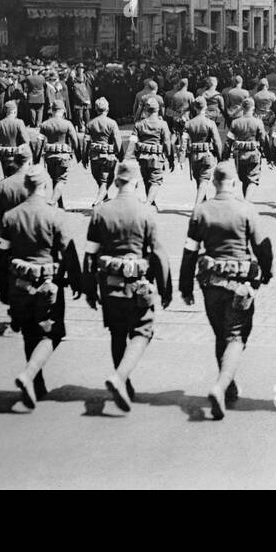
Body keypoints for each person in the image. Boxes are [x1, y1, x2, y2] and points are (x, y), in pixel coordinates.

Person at [180, 160, 273, 419]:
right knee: (236, 336)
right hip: (239, 286)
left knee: (220, 334)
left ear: (213, 182)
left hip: (210, 285)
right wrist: (267, 272)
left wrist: (185, 286)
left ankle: (229, 386)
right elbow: (262, 248)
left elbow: (189, 252)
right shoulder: (246, 210)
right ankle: (221, 386)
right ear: (234, 183)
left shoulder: (201, 211)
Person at [84, 161, 172, 412]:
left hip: (109, 285)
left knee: (117, 333)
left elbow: (90, 255)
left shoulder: (100, 211)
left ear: (115, 182)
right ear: (136, 182)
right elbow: (157, 255)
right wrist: (166, 289)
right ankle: (120, 378)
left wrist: (89, 288)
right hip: (138, 286)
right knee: (142, 331)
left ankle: (124, 382)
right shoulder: (145, 212)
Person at [0, 167, 80, 409]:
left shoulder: (10, 216)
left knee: (28, 333)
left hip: (19, 284)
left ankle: (37, 383)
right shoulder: (55, 215)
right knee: (53, 333)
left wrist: (2, 287)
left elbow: (2, 254)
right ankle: (30, 374)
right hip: (47, 285)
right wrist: (77, 280)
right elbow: (68, 252)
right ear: (44, 186)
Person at [131, 97, 175, 207]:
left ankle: (151, 202)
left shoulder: (139, 124)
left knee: (146, 179)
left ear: (146, 110)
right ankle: (148, 203)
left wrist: (133, 156)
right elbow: (167, 142)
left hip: (142, 156)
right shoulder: (163, 124)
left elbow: (133, 142)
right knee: (155, 181)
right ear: (158, 110)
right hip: (156, 157)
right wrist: (170, 158)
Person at [37, 101, 79, 209]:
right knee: (61, 180)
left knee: (55, 180)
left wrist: (36, 159)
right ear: (62, 111)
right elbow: (75, 140)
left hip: (49, 157)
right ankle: (52, 201)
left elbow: (39, 142)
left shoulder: (45, 124)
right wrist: (79, 156)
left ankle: (60, 205)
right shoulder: (67, 124)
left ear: (52, 110)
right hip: (63, 157)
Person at [83, 98, 124, 206]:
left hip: (94, 157)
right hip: (108, 157)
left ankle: (103, 200)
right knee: (105, 182)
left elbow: (86, 142)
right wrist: (121, 156)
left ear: (96, 109)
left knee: (100, 181)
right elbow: (118, 141)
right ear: (107, 109)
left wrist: (84, 158)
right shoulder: (112, 123)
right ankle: (98, 201)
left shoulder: (90, 123)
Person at [227, 97, 269, 199]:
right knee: (253, 180)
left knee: (244, 180)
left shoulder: (235, 122)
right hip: (253, 154)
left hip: (240, 156)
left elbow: (229, 141)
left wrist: (224, 156)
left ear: (242, 108)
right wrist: (269, 156)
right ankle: (246, 202)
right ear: (253, 108)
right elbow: (264, 140)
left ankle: (246, 201)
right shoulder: (258, 122)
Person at [0, 100, 31, 177]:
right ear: (14, 111)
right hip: (17, 156)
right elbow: (26, 140)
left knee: (7, 177)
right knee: (17, 178)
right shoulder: (19, 123)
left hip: (4, 156)